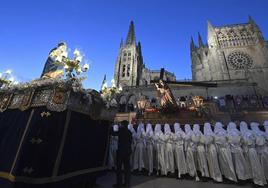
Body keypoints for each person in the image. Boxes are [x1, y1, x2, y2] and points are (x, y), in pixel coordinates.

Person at [240, 121, 266, 186]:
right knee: (250, 166)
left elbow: (251, 142)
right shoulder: (246, 133)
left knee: (255, 166)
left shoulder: (249, 133)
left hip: (251, 151)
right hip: (248, 152)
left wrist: (243, 140)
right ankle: (253, 179)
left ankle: (258, 181)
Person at [114, 120, 132, 188]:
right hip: (127, 152)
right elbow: (130, 142)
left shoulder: (121, 130)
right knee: (127, 169)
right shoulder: (129, 132)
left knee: (119, 168)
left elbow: (113, 133)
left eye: (121, 124)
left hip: (121, 152)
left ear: (123, 125)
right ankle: (127, 184)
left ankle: (119, 184)